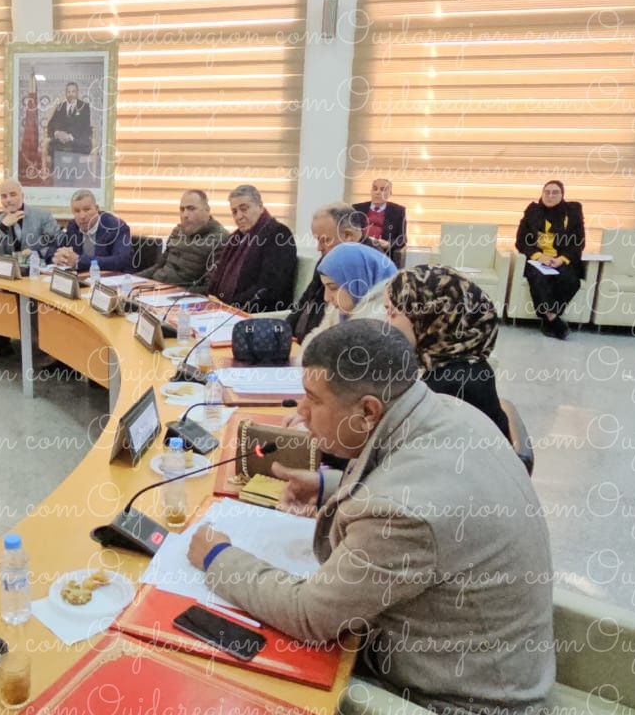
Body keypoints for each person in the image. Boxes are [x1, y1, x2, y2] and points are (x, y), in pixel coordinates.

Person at [188, 320, 555, 715]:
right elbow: (406, 477)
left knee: (228, 679)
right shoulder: (453, 412)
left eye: (313, 399)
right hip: (486, 664)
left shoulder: (403, 514)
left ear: (367, 411)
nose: (301, 412)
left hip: (454, 702)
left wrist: (218, 557)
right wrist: (326, 486)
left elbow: (309, 616)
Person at [383, 265, 512, 439]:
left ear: (428, 317)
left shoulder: (447, 387)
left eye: (392, 313)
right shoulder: (464, 363)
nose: (386, 324)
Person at [0, 180, 63, 358]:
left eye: (13, 195)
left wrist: (36, 252)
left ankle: (44, 345)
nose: (8, 200)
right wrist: (4, 227)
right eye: (4, 196)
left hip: (36, 275)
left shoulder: (41, 216)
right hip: (11, 276)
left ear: (22, 196)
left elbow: (59, 242)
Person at [289, 203, 390, 343]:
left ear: (348, 235)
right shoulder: (329, 256)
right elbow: (307, 297)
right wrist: (284, 330)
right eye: (317, 240)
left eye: (325, 240)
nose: (319, 247)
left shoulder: (368, 266)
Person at [204, 184, 296, 312]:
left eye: (244, 209)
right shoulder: (235, 239)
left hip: (260, 314)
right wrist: (211, 300)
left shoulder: (278, 235)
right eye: (234, 212)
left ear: (260, 206)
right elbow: (215, 278)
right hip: (224, 310)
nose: (238, 216)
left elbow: (269, 289)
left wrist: (229, 306)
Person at [515, 180, 585, 340]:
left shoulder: (572, 212)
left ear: (562, 195)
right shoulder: (533, 211)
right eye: (547, 192)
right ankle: (553, 318)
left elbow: (579, 242)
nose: (550, 196)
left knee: (571, 280)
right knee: (538, 278)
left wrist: (561, 259)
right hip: (537, 259)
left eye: (555, 193)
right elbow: (521, 241)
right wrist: (539, 257)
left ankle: (548, 320)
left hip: (561, 258)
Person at [134, 190, 228, 292]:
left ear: (207, 210)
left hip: (178, 295)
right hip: (155, 288)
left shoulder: (220, 239)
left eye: (191, 209)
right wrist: (131, 279)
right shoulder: (178, 231)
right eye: (182, 209)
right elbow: (158, 266)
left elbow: (208, 288)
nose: (185, 215)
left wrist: (171, 292)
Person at [312, 242, 397, 337]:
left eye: (333, 288)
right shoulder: (338, 314)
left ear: (359, 281)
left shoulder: (381, 327)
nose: (326, 297)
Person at [46, 190, 133, 273]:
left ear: (96, 209)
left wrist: (79, 261)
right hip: (83, 278)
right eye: (77, 211)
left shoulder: (116, 226)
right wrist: (58, 257)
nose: (82, 216)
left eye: (87, 210)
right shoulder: (73, 226)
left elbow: (120, 260)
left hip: (115, 278)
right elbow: (54, 249)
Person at [44, 82, 94, 187]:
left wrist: (70, 136)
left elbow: (85, 127)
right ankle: (59, 176)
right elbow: (51, 124)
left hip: (76, 139)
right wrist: (58, 133)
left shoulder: (84, 107)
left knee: (76, 147)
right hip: (61, 140)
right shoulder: (60, 107)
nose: (71, 94)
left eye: (73, 91)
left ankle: (71, 179)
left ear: (77, 92)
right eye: (68, 92)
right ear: (66, 93)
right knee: (53, 146)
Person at [353, 179, 407, 266]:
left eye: (382, 189)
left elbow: (402, 238)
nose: (377, 192)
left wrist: (388, 244)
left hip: (381, 251)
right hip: (359, 247)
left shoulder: (398, 211)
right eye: (375, 189)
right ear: (371, 191)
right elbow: (349, 231)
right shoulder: (357, 208)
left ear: (390, 193)